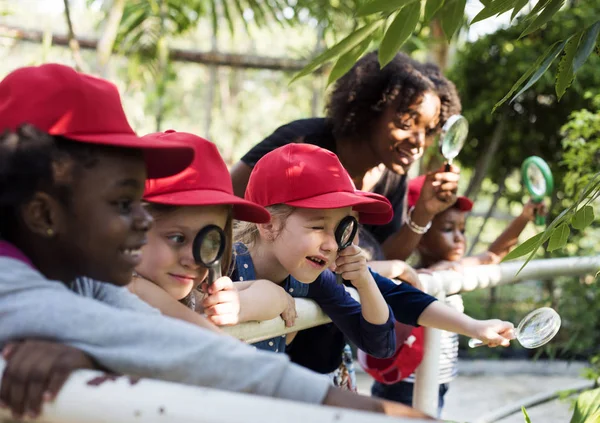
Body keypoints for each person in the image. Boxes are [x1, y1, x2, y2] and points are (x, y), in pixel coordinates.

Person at [0, 64, 433, 421]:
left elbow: (191, 346)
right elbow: (159, 345)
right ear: (42, 214)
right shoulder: (11, 287)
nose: (141, 219)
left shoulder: (82, 280)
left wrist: (89, 356)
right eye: (122, 203)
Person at [229, 50, 464, 374]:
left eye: (429, 129)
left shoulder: (392, 177)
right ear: (372, 108)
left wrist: (423, 212)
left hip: (321, 345)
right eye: (407, 122)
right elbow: (224, 205)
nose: (419, 141)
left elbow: (377, 256)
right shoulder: (300, 144)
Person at [234, 144, 515, 360]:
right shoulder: (222, 265)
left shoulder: (315, 274)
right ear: (269, 225)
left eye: (342, 229)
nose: (332, 244)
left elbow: (381, 341)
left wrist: (365, 281)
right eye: (318, 226)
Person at [370, 175, 545, 416]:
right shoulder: (410, 278)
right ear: (420, 237)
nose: (459, 238)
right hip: (404, 384)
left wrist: (524, 217)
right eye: (447, 229)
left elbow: (491, 256)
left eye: (462, 229)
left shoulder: (453, 271)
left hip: (438, 380)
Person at [130, 130, 297, 329]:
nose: (193, 259)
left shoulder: (190, 296)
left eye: (209, 241)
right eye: (177, 238)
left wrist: (237, 307)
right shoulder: (121, 288)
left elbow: (273, 294)